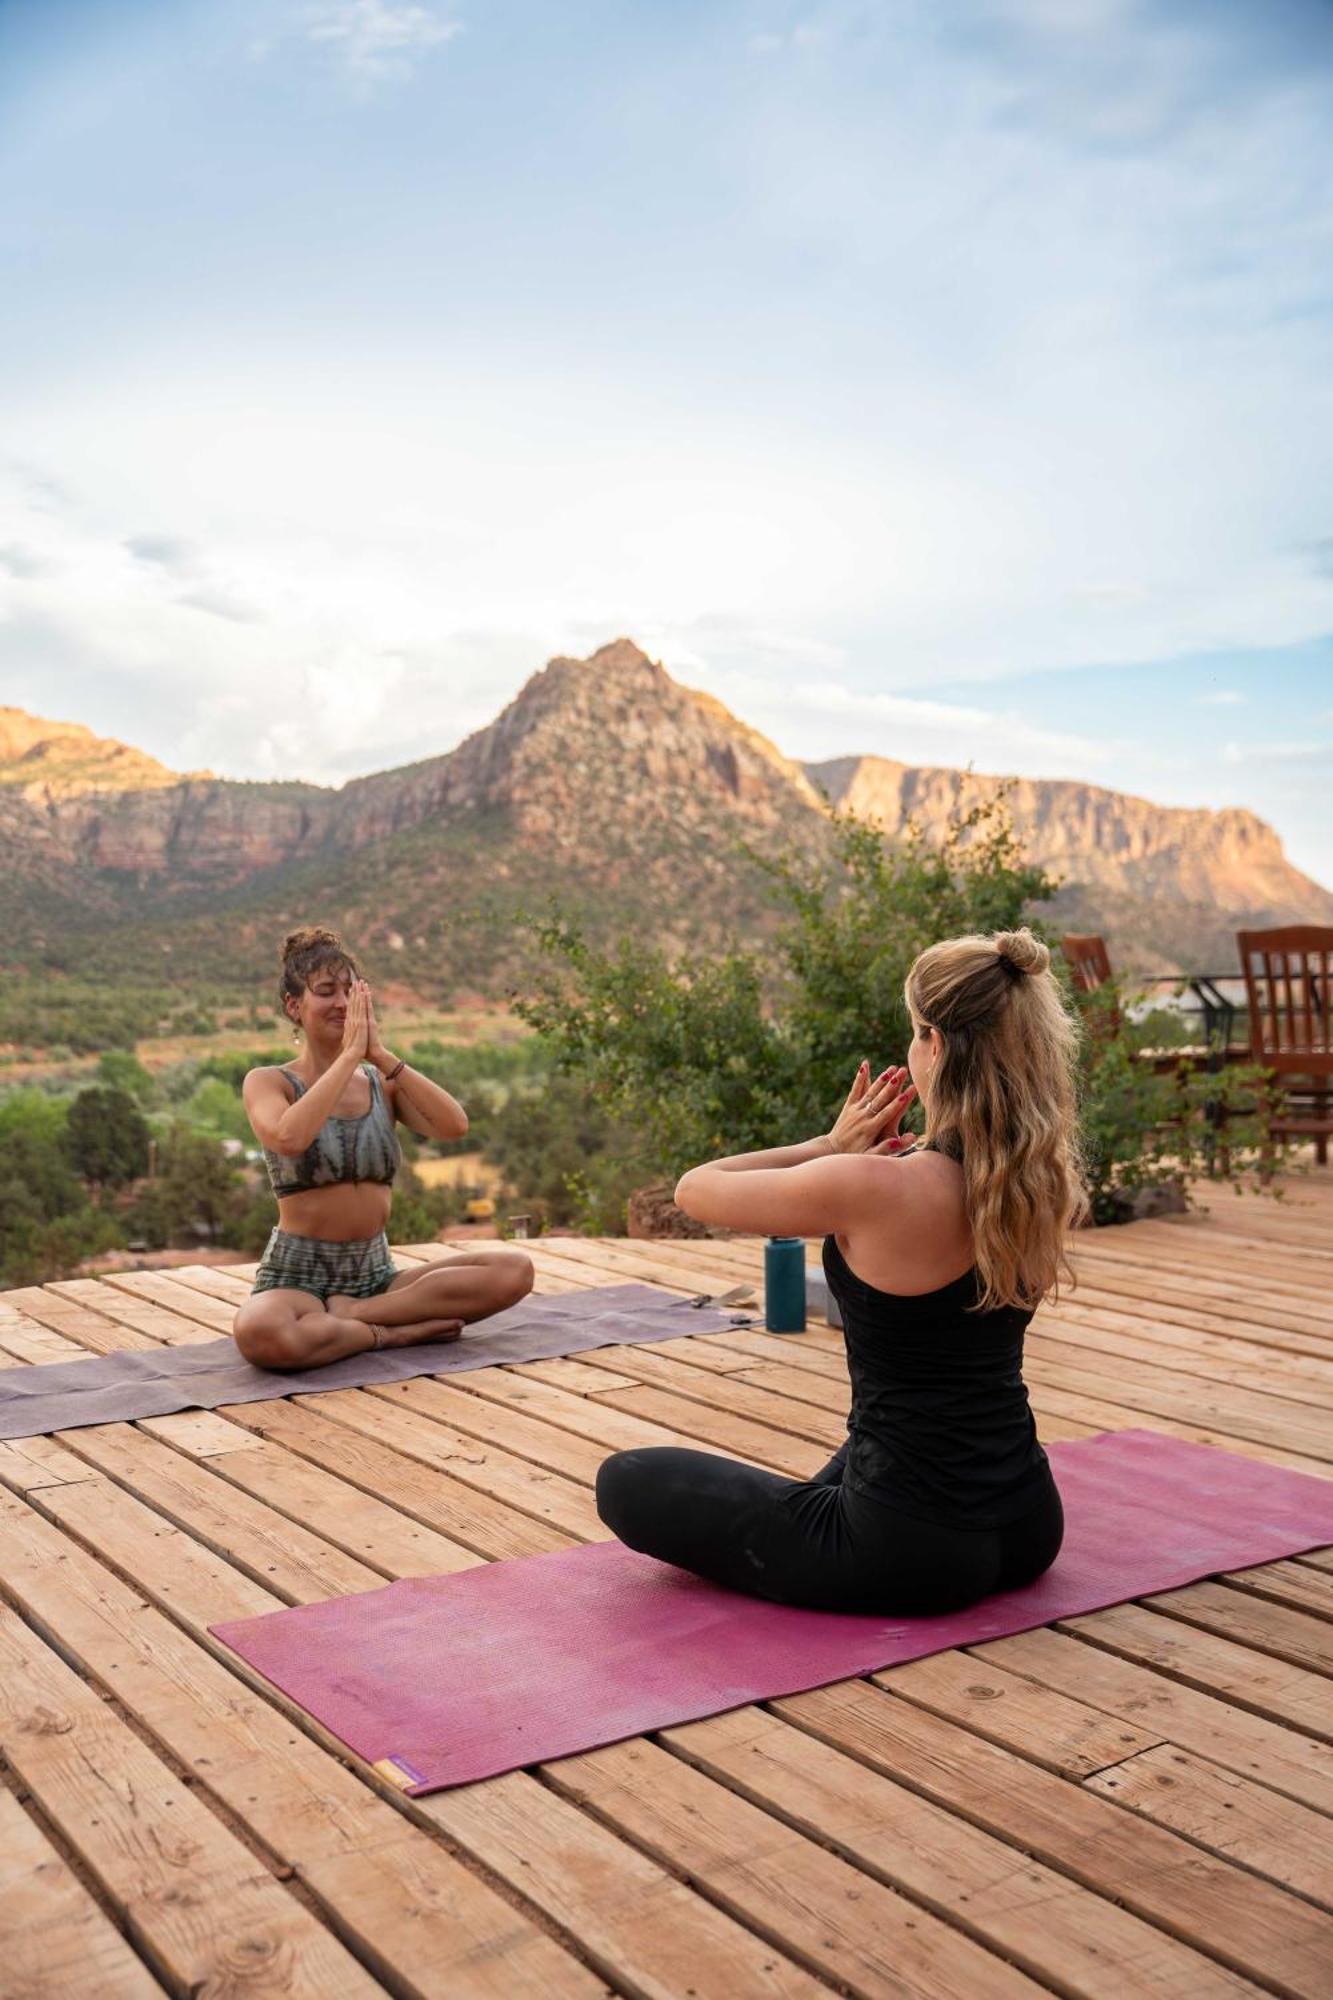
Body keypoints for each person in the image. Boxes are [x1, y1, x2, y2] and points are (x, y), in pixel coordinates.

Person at [595, 927, 1086, 1616]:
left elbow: (694, 1189)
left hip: (906, 1550)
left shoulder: (874, 1186)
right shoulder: (1036, 1179)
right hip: (1028, 1521)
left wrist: (825, 1144)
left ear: (935, 1045)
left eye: (914, 1033)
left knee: (628, 1479)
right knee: (860, 1455)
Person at [233, 926, 533, 1369]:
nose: (340, 1002)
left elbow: (454, 1126)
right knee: (260, 1334)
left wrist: (382, 1057)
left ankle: (359, 1317)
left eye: (350, 991)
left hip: (376, 1274)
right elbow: (288, 1137)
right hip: (298, 1277)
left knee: (515, 1271)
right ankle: (388, 1335)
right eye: (326, 991)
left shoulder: (380, 1083)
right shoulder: (269, 1081)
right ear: (294, 1006)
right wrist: (348, 1057)